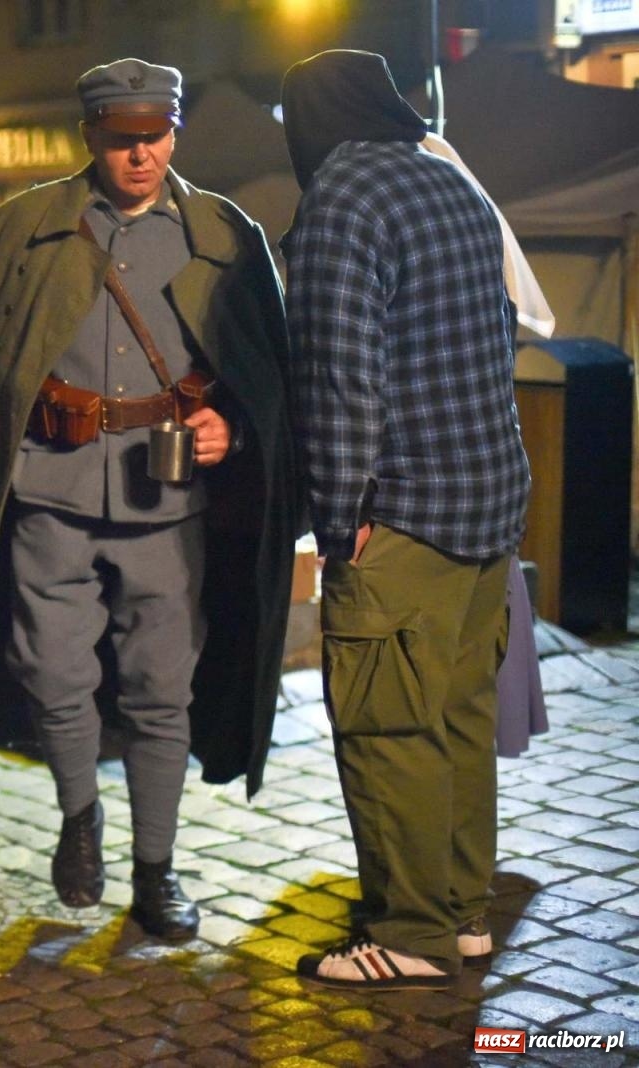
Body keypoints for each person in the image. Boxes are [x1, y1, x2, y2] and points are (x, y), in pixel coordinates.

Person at [0, 59, 296, 941]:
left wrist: (230, 431)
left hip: (168, 503)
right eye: (124, 138)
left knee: (160, 691)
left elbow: (268, 374)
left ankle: (157, 871)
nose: (142, 155)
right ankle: (79, 817)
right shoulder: (26, 227)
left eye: (156, 135)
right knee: (53, 675)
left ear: (175, 130)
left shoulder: (224, 231)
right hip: (48, 488)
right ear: (88, 135)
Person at [280, 50, 531, 990]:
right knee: (460, 718)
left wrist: (342, 517)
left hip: (405, 516)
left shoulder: (345, 196)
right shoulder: (448, 179)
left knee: (389, 729)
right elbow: (502, 331)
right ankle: (462, 910)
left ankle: (412, 933)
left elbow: (338, 375)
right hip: (489, 502)